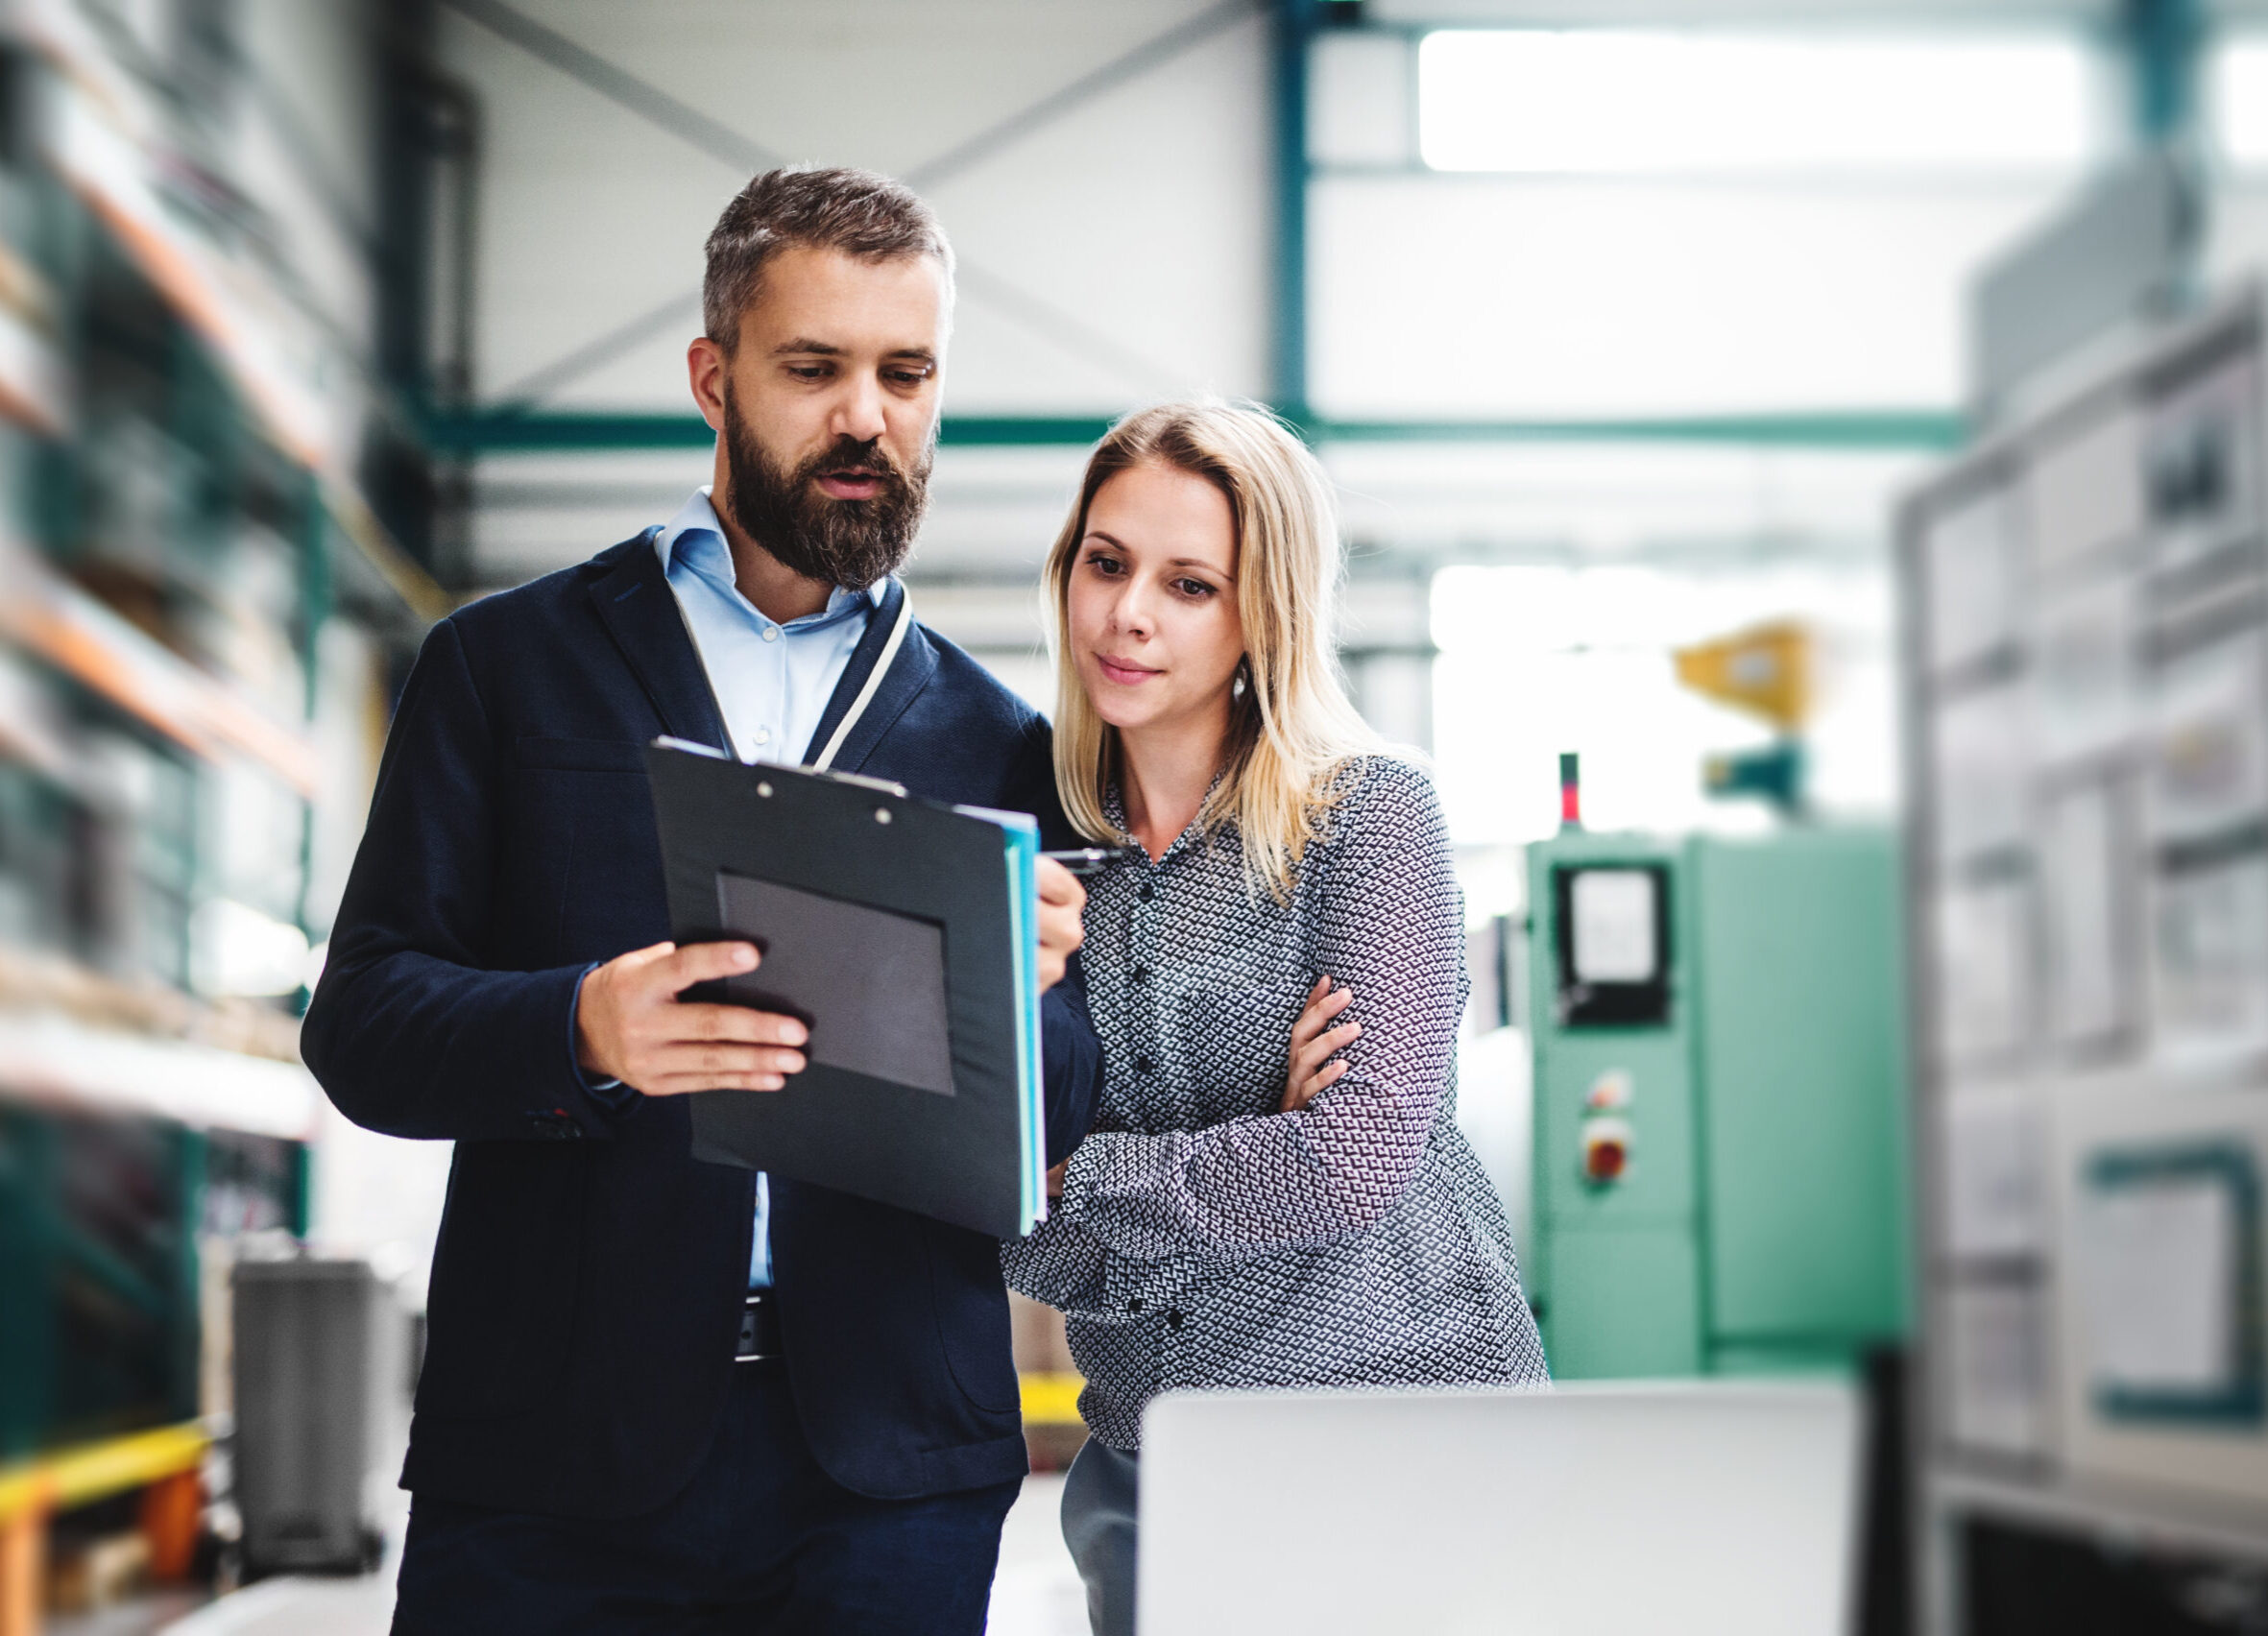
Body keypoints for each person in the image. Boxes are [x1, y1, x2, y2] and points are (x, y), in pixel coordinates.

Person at [302, 167, 1104, 1635]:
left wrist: (1030, 993)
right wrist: (580, 1028)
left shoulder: (1003, 742)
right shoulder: (505, 669)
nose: (867, 416)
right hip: (551, 1461)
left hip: (884, 1482)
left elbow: (1050, 1122)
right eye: (815, 369)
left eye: (905, 374)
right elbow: (362, 1023)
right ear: (712, 375)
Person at [1000, 400, 1549, 1636]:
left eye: (1190, 584)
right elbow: (998, 1217)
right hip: (1151, 1459)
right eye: (1106, 563)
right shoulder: (1034, 865)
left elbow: (1352, 1161)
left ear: (1265, 614)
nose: (1128, 613)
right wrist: (1257, 1145)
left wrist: (1076, 1177)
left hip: (1394, 1429)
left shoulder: (1367, 822)